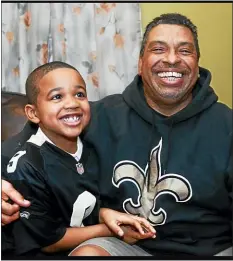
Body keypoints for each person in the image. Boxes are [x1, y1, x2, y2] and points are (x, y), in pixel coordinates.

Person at [2, 13, 232, 257]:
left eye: (184, 51)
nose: (172, 59)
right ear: (141, 62)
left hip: (212, 250)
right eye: (158, 49)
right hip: (124, 243)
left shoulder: (226, 126)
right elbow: (24, 148)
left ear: (197, 63)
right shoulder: (96, 117)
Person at [1, 61, 155, 257]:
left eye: (79, 94)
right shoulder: (28, 166)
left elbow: (72, 206)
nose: (72, 103)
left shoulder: (89, 147)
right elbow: (49, 241)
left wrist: (104, 214)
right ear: (33, 113)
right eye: (57, 97)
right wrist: (110, 230)